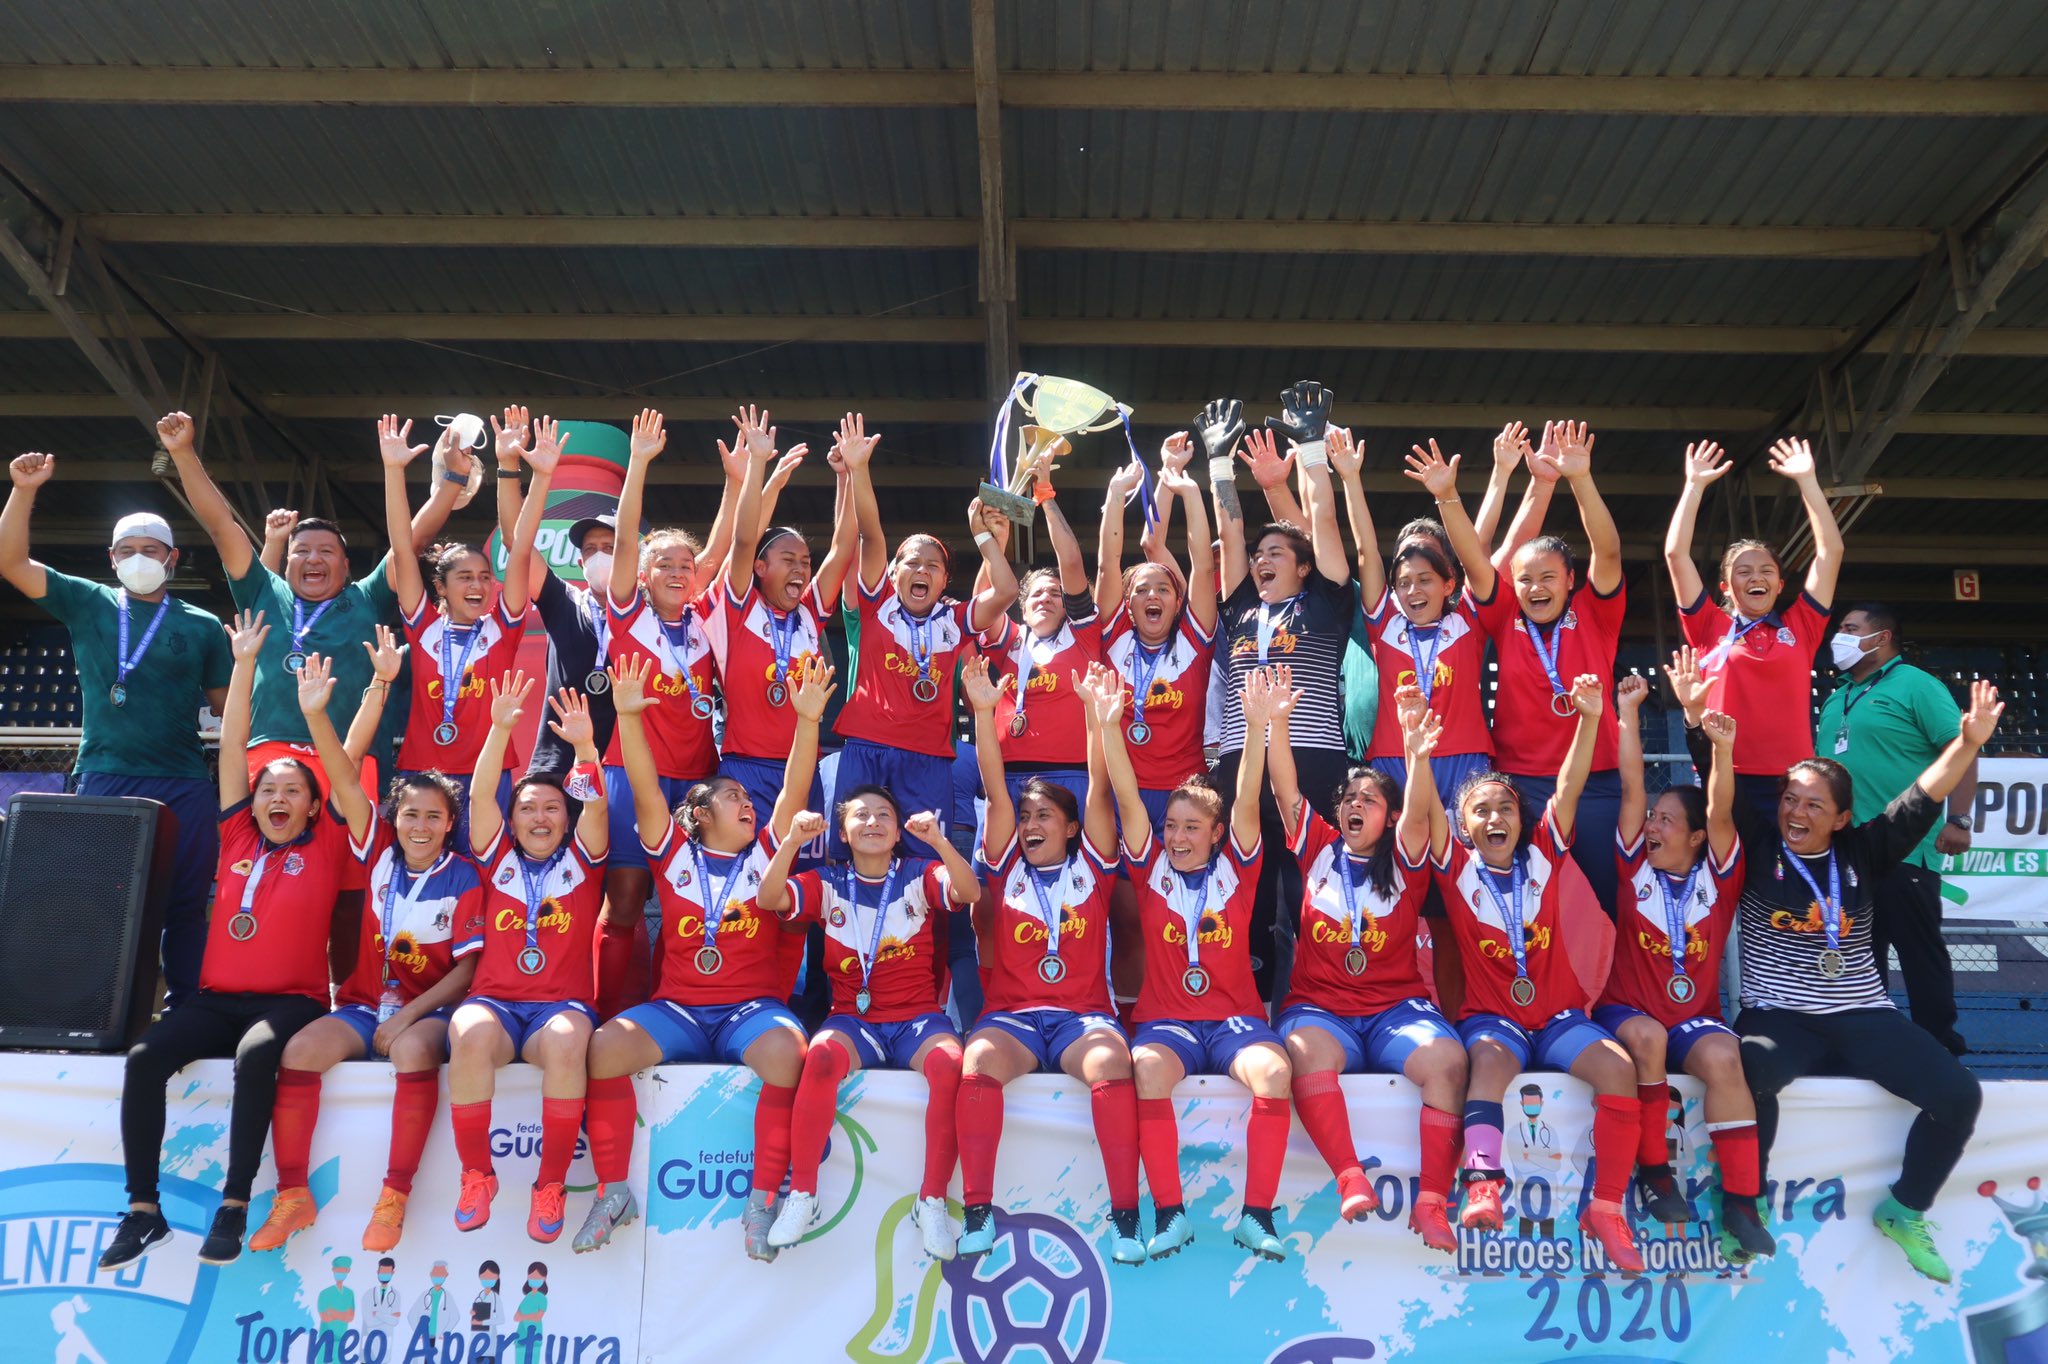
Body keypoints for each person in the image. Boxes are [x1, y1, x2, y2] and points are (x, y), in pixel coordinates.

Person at [1693, 678, 2000, 1282]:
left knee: (1960, 1096)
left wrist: (1967, 744)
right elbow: (1719, 801)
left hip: (1861, 1012)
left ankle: (1906, 1209)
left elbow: (1922, 794)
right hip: (1778, 1014)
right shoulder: (1759, 847)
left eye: (1811, 804)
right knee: (1747, 1074)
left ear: (1841, 818)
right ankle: (1744, 1202)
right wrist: (1701, 722)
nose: (1795, 812)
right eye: (1789, 799)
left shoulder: (1865, 851)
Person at [97, 611, 355, 1270]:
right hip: (213, 999)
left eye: (291, 791)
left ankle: (235, 1203)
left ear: (310, 807)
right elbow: (236, 741)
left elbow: (342, 777)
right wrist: (242, 666)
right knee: (144, 1059)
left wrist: (315, 715)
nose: (276, 796)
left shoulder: (327, 844)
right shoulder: (237, 833)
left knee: (257, 1054)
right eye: (268, 788)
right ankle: (142, 1210)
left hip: (290, 1002)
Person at [575, 656, 826, 1259]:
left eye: (748, 798)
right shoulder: (674, 854)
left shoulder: (770, 849)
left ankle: (762, 1202)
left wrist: (807, 721)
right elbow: (641, 785)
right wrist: (630, 718)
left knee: (789, 1057)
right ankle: (612, 1192)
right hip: (680, 1011)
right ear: (700, 814)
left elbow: (793, 789)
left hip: (750, 1011)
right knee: (604, 1049)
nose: (748, 804)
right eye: (733, 796)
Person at [247, 645, 488, 1256]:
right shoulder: (374, 850)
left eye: (433, 817)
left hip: (424, 1012)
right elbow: (343, 775)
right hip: (359, 1005)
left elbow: (466, 972)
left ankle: (395, 1194)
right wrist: (330, 710)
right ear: (395, 817)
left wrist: (408, 1014)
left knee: (411, 1051)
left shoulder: (464, 877)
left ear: (448, 825)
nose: (419, 826)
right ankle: (293, 1194)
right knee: (300, 1051)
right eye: (410, 813)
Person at [1405, 674, 1650, 1274]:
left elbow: (1567, 787)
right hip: (1496, 1019)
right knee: (1485, 1061)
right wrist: (1418, 753)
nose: (1495, 818)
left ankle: (1607, 1208)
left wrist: (1590, 718)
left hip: (1560, 1016)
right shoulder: (1455, 868)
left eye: (1505, 808)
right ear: (1464, 828)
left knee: (1619, 1069)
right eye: (1480, 811)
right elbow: (1426, 812)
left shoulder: (1544, 852)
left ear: (1521, 819)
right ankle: (1483, 1183)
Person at [0, 451, 233, 1007]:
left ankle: (186, 1007)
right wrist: (23, 491)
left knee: (185, 901)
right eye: (126, 551)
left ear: (173, 558)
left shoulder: (200, 626)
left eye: (150, 551)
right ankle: (97, 1006)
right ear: (110, 557)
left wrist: (254, 667)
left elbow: (230, 707)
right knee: (97, 899)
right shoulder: (89, 601)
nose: (138, 559)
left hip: (182, 780)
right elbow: (11, 562)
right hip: (106, 775)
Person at [1263, 665, 1470, 1253]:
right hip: (1322, 1009)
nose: (1356, 805)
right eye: (1349, 798)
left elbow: (1421, 816)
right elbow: (1284, 789)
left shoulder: (1406, 861)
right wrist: (1278, 722)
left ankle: (1431, 1203)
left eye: (1370, 800)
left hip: (1394, 1012)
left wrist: (1416, 752)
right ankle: (1350, 1176)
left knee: (1448, 1062)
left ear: (1388, 814)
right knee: (1302, 1052)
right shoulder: (1320, 848)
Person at [1092, 663, 1294, 1263]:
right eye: (1172, 826)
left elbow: (1250, 801)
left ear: (1214, 834)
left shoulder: (1239, 867)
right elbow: (1126, 795)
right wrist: (1108, 727)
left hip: (1235, 1022)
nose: (1177, 837)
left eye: (1191, 828)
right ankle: (1172, 1213)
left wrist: (1258, 729)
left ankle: (1257, 1217)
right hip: (1168, 1023)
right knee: (1148, 1070)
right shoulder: (1150, 869)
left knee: (1275, 1074)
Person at [952, 656, 1144, 1266]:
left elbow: (1100, 784)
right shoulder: (1006, 863)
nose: (1031, 824)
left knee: (1112, 1061)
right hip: (1012, 1015)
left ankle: (1125, 1216)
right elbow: (992, 780)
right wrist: (984, 713)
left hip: (1081, 1016)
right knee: (977, 1059)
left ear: (1069, 827)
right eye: (1026, 816)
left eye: (1044, 817)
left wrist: (1096, 718)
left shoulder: (1094, 864)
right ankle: (978, 1211)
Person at [160, 409, 460, 787]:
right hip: (270, 758)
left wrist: (453, 481)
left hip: (352, 758)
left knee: (351, 849)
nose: (313, 559)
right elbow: (222, 527)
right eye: (301, 551)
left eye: (326, 551)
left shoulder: (367, 597)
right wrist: (184, 453)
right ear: (286, 563)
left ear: (346, 565)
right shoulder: (264, 590)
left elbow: (410, 542)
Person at [755, 770, 982, 1259]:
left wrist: (940, 841)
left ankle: (932, 1201)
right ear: (843, 832)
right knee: (817, 1058)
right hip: (852, 1019)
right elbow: (769, 899)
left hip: (918, 1018)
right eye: (862, 815)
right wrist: (791, 841)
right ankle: (803, 1194)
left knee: (950, 1064)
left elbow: (970, 892)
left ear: (899, 832)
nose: (874, 822)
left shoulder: (919, 875)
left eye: (885, 816)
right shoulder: (828, 881)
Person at [1592, 669, 1774, 1264]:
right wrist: (1628, 712)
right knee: (1644, 1037)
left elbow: (1721, 810)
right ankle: (1654, 1171)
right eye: (1654, 819)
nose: (1654, 827)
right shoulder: (1634, 868)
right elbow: (1630, 787)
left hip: (1694, 1015)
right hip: (1629, 1011)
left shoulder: (1717, 876)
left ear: (1698, 838)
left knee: (1726, 1056)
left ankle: (1743, 1204)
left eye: (1668, 821)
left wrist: (1721, 750)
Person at [446, 673, 609, 1243]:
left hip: (559, 1007)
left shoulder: (584, 862)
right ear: (511, 820)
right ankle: (477, 1174)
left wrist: (586, 748)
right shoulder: (496, 862)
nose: (540, 817)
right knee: (465, 1032)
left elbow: (595, 802)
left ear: (565, 818)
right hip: (496, 1005)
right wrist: (498, 729)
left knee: (568, 1040)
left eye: (551, 809)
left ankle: (550, 1184)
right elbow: (478, 791)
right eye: (528, 809)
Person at [600, 408, 746, 1001]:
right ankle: (612, 1012)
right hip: (629, 777)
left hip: (693, 780)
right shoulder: (626, 611)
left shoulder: (704, 620)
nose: (679, 572)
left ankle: (673, 1002)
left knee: (690, 898)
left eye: (686, 566)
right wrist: (637, 463)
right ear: (642, 572)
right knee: (628, 902)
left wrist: (738, 480)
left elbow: (718, 547)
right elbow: (630, 533)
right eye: (665, 564)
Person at [1460, 423, 1629, 910]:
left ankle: (1609, 990)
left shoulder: (1597, 613)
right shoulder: (1504, 614)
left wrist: (1579, 479)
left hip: (1597, 781)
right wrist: (1540, 485)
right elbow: (1480, 565)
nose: (1536, 587)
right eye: (1526, 579)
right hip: (1522, 782)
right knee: (1532, 901)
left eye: (1549, 577)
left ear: (1571, 580)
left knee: (1600, 896)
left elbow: (1610, 551)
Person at [831, 426, 1017, 856]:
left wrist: (985, 538)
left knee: (926, 859)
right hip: (867, 747)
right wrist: (858, 471)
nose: (922, 570)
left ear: (944, 580)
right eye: (912, 562)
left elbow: (1006, 592)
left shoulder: (954, 618)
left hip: (929, 756)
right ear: (894, 573)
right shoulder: (873, 604)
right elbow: (870, 536)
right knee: (852, 855)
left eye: (933, 565)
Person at [1814, 604, 1975, 1055]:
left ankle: (1939, 1047)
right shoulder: (1835, 695)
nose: (1838, 636)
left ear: (1880, 638)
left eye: (1849, 628)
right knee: (1861, 958)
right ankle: (1872, 1047)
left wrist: (1959, 820)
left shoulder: (1918, 686)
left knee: (1918, 951)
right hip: (1844, 853)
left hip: (1905, 845)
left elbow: (1963, 749)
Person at [1664, 437, 1843, 819]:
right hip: (1726, 776)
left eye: (1766, 571)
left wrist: (1808, 480)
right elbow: (1676, 554)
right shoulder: (1709, 623)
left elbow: (1831, 552)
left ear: (1780, 584)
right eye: (1743, 571)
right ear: (1726, 587)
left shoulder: (1802, 623)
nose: (1755, 577)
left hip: (1793, 782)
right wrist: (1694, 486)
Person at [701, 413, 856, 855]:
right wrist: (759, 470)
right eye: (789, 559)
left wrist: (846, 476)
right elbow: (744, 539)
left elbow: (844, 547)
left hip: (804, 772)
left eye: (805, 561)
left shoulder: (808, 612)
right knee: (746, 880)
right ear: (761, 569)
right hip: (745, 770)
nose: (801, 568)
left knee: (800, 884)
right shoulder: (737, 609)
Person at [379, 413, 534, 817]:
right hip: (421, 771)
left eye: (484, 577)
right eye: (464, 577)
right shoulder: (424, 625)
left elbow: (519, 548)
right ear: (441, 588)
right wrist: (394, 470)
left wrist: (510, 466)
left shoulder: (502, 628)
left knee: (483, 872)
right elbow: (401, 547)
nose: (478, 586)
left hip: (488, 774)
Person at [1094, 431, 1219, 827]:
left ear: (1178, 602)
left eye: (1164, 589)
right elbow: (1107, 564)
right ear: (1127, 603)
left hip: (1188, 795)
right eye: (1142, 589)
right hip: (1123, 792)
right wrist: (1116, 496)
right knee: (1129, 891)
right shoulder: (1114, 640)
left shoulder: (1194, 643)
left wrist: (1189, 491)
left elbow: (1203, 563)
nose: (1153, 595)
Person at [980, 474, 1102, 807]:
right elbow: (982, 601)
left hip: (1070, 777)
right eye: (1036, 594)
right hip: (1007, 777)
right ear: (1022, 605)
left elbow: (1072, 562)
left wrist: (1045, 495)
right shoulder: (1011, 639)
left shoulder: (1083, 637)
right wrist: (993, 541)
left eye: (1055, 593)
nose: (1045, 599)